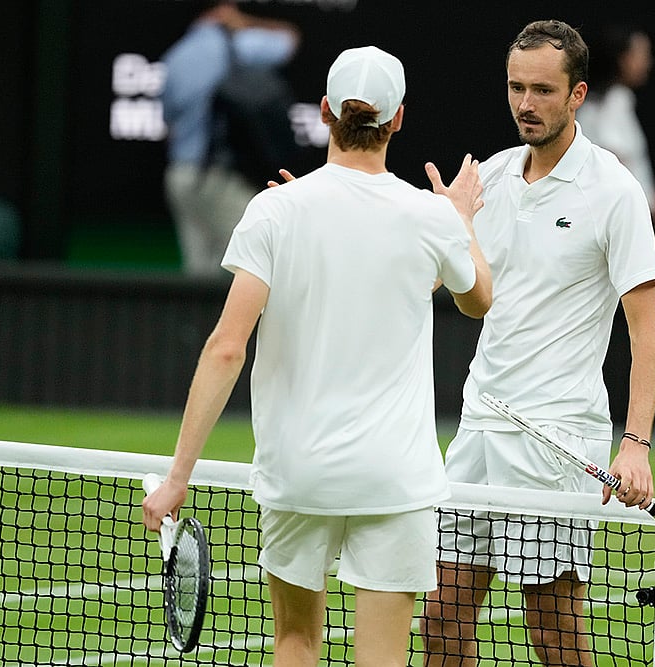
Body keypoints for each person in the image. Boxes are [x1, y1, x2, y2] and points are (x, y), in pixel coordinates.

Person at [143, 45, 492, 667]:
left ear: (326, 112)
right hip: (393, 479)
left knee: (295, 642)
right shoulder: (427, 217)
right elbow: (478, 300)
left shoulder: (275, 210)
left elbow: (227, 348)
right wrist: (459, 217)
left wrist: (179, 478)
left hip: (298, 474)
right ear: (399, 119)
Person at [420, 20, 655, 667]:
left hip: (557, 437)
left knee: (552, 630)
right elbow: (475, 298)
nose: (525, 104)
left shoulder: (613, 191)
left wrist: (635, 444)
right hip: (480, 424)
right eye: (515, 87)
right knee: (441, 619)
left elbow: (648, 330)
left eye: (542, 90)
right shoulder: (493, 175)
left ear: (578, 94)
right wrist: (457, 227)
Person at [161, 1, 300, 276]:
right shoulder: (239, 44)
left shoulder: (175, 56)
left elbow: (169, 123)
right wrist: (244, 21)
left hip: (180, 175)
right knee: (256, 255)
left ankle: (201, 320)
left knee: (199, 269)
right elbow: (290, 39)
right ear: (224, 9)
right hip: (219, 176)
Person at [576, 25, 655, 248]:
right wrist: (640, 211)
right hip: (610, 218)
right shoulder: (616, 101)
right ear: (622, 59)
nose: (648, 62)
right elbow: (614, 159)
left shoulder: (598, 102)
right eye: (641, 54)